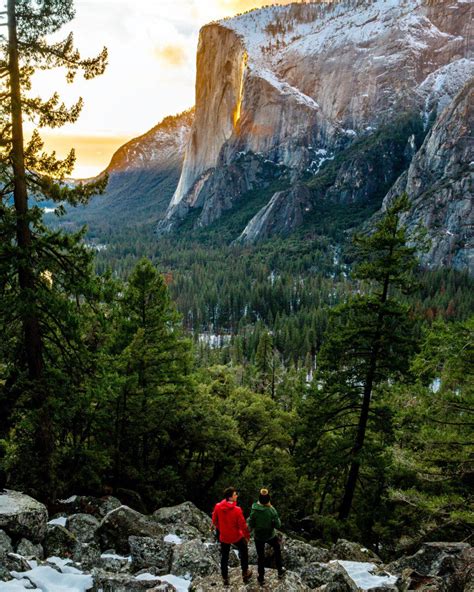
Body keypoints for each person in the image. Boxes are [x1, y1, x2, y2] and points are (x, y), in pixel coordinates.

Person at [212, 486, 252, 586]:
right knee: (244, 550)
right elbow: (243, 525)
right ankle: (245, 572)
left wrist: (221, 529)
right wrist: (247, 536)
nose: (236, 496)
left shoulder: (217, 506)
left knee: (224, 556)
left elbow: (214, 521)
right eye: (235, 495)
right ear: (230, 498)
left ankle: (225, 577)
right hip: (235, 536)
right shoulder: (237, 510)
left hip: (224, 536)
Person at [248, 488, 285, 585]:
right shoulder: (271, 510)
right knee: (277, 549)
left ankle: (261, 578)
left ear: (259, 499)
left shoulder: (254, 510)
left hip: (258, 536)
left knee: (260, 557)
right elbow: (278, 525)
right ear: (268, 499)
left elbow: (251, 524)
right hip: (270, 536)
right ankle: (280, 571)